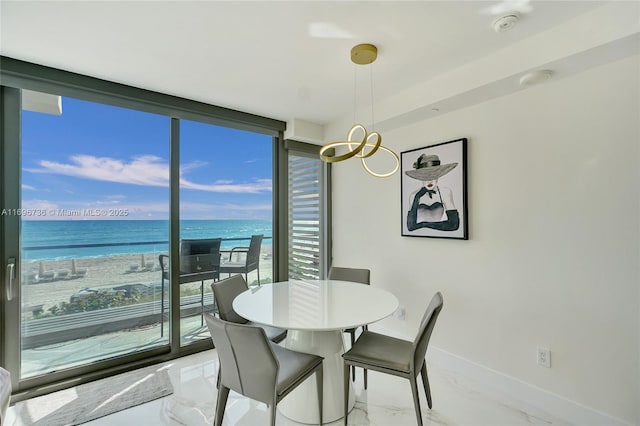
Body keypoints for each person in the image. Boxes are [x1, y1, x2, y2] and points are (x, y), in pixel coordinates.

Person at [406, 153, 460, 231]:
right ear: (420, 178)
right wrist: (417, 197)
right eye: (425, 177)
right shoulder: (414, 195)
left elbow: (454, 224)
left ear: (438, 176)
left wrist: (423, 224)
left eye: (434, 176)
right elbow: (410, 227)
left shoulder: (445, 192)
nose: (430, 180)